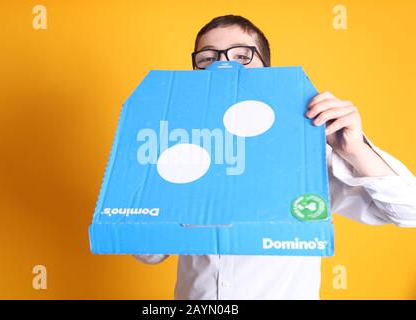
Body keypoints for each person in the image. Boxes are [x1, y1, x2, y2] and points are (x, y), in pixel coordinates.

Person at [133, 15, 416, 299]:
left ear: (267, 69)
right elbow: (150, 254)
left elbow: (410, 211)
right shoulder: (176, 149)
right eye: (208, 58)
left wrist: (355, 150)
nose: (224, 66)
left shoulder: (307, 147)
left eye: (242, 55)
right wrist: (145, 182)